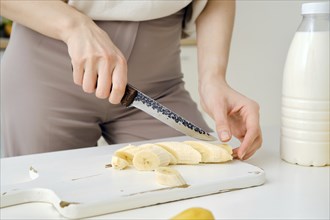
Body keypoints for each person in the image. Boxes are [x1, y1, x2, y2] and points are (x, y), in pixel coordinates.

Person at [0, 0, 262, 159]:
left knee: (202, 189)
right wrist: (74, 26)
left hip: (160, 83)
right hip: (49, 65)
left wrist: (213, 77)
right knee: (46, 203)